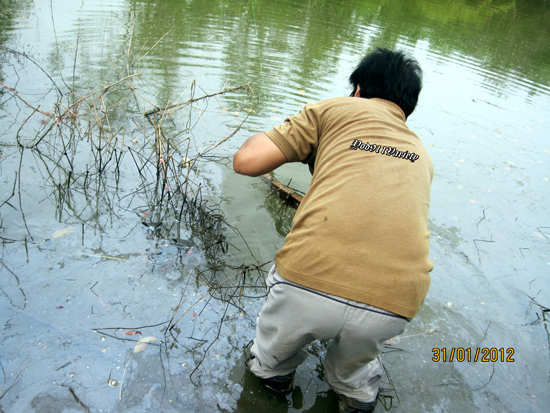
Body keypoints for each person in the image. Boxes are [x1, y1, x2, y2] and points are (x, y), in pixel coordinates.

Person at [233, 48, 434, 413]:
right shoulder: (420, 151)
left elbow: (246, 161)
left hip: (307, 282)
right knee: (355, 379)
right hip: (394, 303)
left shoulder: (335, 109)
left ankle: (273, 380)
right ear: (407, 108)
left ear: (357, 89)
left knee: (269, 367)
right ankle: (352, 391)